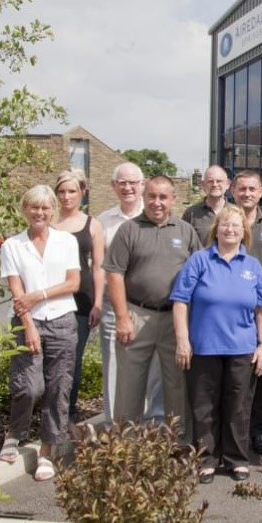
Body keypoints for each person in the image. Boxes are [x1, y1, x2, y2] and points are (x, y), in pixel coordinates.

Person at [172, 204, 262, 484]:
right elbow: (181, 301)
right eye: (225, 224)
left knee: (238, 405)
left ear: (244, 232)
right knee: (204, 406)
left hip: (242, 348)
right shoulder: (200, 260)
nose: (230, 229)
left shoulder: (252, 266)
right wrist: (182, 340)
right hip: (204, 347)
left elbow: (261, 309)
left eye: (236, 226)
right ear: (217, 229)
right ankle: (206, 459)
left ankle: (237, 459)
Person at [104, 175, 200, 435]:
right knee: (130, 386)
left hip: (175, 319)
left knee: (177, 384)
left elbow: (198, 275)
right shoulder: (129, 230)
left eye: (163, 197)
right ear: (144, 197)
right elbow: (114, 274)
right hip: (137, 315)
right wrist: (122, 317)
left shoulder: (185, 231)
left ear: (173, 199)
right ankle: (127, 445)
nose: (157, 203)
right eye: (152, 197)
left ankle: (178, 443)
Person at [0, 185, 81, 482]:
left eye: (45, 208)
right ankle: (16, 432)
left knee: (59, 386)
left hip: (61, 320)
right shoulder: (12, 246)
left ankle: (48, 450)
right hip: (26, 321)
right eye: (34, 207)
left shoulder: (66, 242)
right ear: (25, 210)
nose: (40, 213)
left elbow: (73, 283)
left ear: (53, 211)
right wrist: (29, 324)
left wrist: (40, 296)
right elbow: (17, 291)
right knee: (29, 387)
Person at [96, 162, 160, 423]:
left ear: (142, 185)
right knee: (114, 367)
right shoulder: (103, 222)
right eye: (122, 182)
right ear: (113, 186)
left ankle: (150, 427)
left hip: (149, 307)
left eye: (133, 182)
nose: (128, 187)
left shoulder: (156, 216)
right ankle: (116, 427)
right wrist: (98, 303)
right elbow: (100, 267)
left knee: (153, 368)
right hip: (115, 307)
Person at [233, 170, 262, 453]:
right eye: (242, 189)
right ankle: (235, 429)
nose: (247, 193)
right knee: (237, 373)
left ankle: (259, 430)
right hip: (232, 310)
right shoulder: (225, 222)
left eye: (252, 189)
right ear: (234, 190)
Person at [52, 170, 105, 421]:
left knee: (72, 358)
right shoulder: (48, 221)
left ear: (82, 193)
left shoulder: (92, 225)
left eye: (72, 191)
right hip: (51, 298)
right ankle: (49, 410)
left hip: (81, 301)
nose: (66, 196)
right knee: (50, 357)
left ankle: (68, 411)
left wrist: (97, 302)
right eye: (61, 191)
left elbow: (98, 266)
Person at [182, 165, 230, 246]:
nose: (215, 184)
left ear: (227, 184)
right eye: (210, 181)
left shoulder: (236, 213)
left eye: (219, 181)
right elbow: (184, 244)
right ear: (203, 185)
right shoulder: (191, 213)